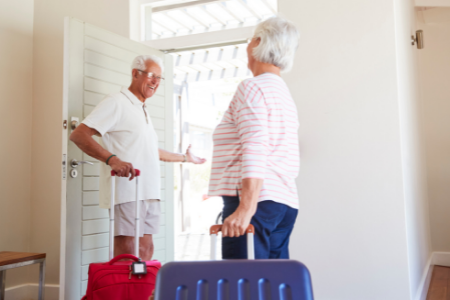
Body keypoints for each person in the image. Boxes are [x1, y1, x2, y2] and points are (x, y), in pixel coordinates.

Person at [70, 55, 206, 260]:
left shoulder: (142, 107)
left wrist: (185, 158)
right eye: (151, 75)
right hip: (127, 191)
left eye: (159, 78)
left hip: (149, 190)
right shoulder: (116, 102)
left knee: (146, 250)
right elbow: (79, 134)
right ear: (135, 74)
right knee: (128, 252)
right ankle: (124, 292)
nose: (155, 82)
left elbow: (150, 150)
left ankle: (142, 293)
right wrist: (113, 160)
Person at [207, 17, 301, 259]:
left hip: (256, 203)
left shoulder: (252, 88)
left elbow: (255, 147)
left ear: (258, 42)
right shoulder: (282, 93)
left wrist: (245, 208)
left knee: (242, 287)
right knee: (273, 286)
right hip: (283, 202)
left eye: (251, 39)